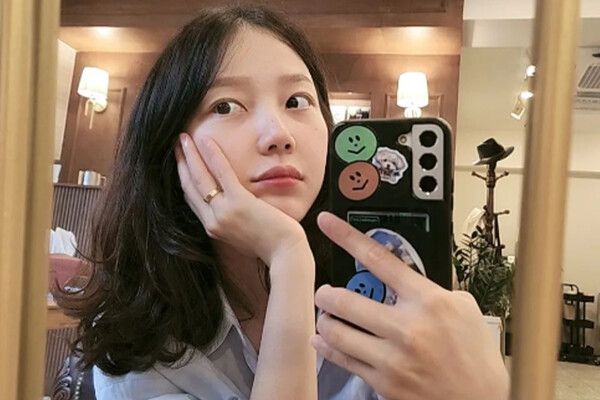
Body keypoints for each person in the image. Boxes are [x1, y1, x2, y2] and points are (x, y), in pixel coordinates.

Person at [63, 5, 509, 400]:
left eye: (297, 100)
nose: (278, 134)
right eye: (226, 106)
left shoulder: (388, 287)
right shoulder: (139, 336)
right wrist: (289, 259)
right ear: (170, 144)